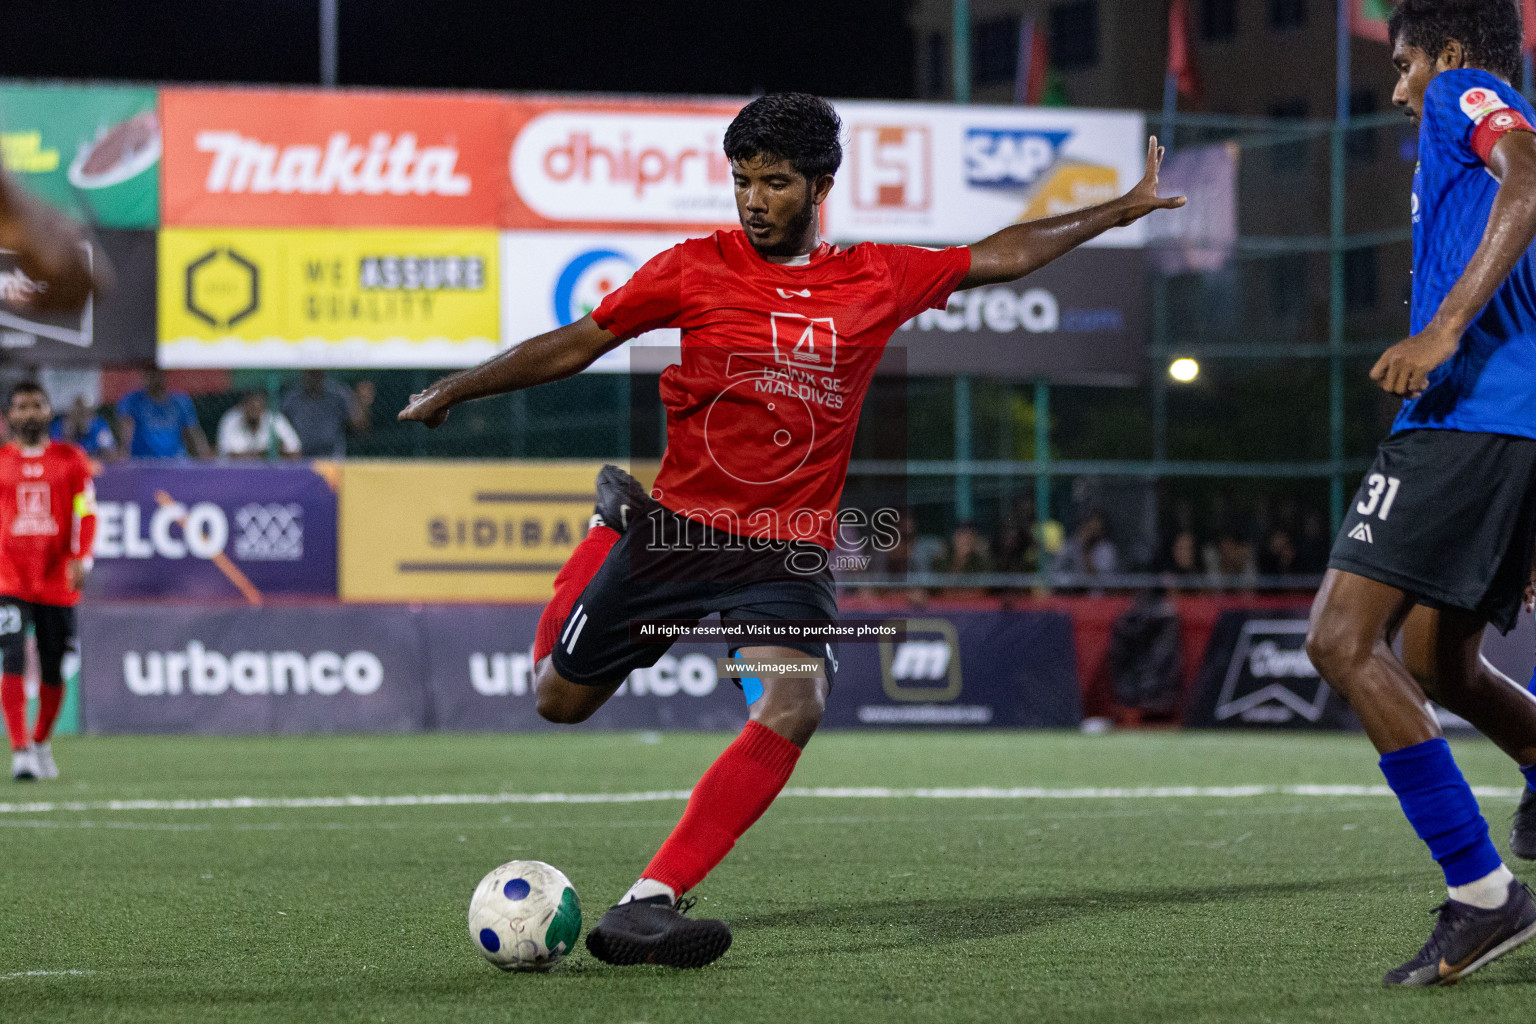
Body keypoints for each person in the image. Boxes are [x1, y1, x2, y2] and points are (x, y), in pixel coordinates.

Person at [399, 92, 1182, 967]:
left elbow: (997, 257)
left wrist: (1118, 208)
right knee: (558, 699)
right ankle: (606, 527)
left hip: (782, 556)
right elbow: (581, 340)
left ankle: (648, 902)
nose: (754, 200)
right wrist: (456, 387)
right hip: (679, 537)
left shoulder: (874, 278)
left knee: (795, 700)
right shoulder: (693, 269)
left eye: (774, 183)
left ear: (821, 186)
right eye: (742, 181)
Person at [1304, 0, 1536, 987]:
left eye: (1402, 64)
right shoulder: (1457, 154)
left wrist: (1441, 332)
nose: (1397, 89)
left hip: (1464, 419)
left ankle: (1485, 896)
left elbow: (1532, 175)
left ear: (1445, 54)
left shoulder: (1462, 93)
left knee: (1340, 639)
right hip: (1511, 429)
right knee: (1440, 659)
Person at [0, 383, 95, 782]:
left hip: (57, 579)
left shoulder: (70, 459)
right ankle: (20, 750)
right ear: (9, 415)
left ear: (49, 411)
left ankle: (41, 742)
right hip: (9, 579)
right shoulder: (1, 461)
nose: (29, 412)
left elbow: (85, 512)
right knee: (13, 658)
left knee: (54, 669)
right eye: (21, 406)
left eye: (37, 405)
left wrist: (82, 556)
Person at [116, 369, 211, 460]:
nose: (154, 377)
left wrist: (204, 455)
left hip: (176, 462)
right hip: (143, 462)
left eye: (158, 372)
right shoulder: (132, 401)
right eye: (150, 372)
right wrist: (125, 455)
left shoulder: (181, 401)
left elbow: (193, 432)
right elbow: (127, 432)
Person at [281, 370, 374, 458]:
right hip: (299, 457)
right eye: (311, 373)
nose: (314, 377)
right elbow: (279, 427)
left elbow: (360, 426)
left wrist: (362, 402)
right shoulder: (291, 398)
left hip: (332, 457)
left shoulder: (338, 394)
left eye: (317, 373)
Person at [217, 390, 302, 460]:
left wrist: (258, 455)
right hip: (238, 473)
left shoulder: (275, 419)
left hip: (271, 473)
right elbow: (225, 455)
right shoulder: (231, 419)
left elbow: (295, 451)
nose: (254, 411)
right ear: (243, 406)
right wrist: (265, 454)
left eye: (258, 407)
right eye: (251, 406)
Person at [50, 395, 117, 461]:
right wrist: (68, 434)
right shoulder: (59, 427)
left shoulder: (99, 425)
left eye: (83, 411)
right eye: (77, 411)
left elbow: (110, 454)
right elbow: (53, 455)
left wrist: (88, 431)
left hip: (92, 465)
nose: (80, 415)